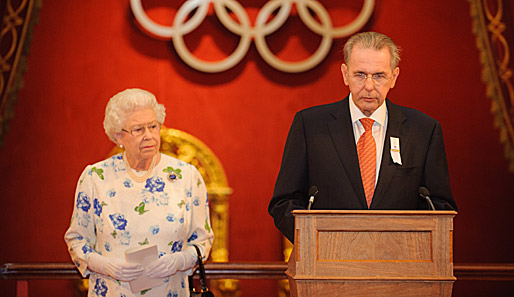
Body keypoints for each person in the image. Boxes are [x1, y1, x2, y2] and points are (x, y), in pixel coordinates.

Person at [268, 32, 457, 243]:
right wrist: (316, 244)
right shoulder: (310, 125)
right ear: (344, 74)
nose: (368, 86)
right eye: (360, 74)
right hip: (328, 265)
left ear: (394, 77)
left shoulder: (423, 130)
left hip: (400, 265)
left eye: (378, 76)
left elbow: (439, 206)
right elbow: (284, 202)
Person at [65, 88, 213, 297]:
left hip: (170, 291)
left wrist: (180, 260)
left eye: (153, 126)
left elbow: (202, 241)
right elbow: (77, 240)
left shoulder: (187, 176)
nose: (149, 135)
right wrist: (105, 265)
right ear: (118, 136)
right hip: (112, 292)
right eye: (138, 129)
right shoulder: (95, 176)